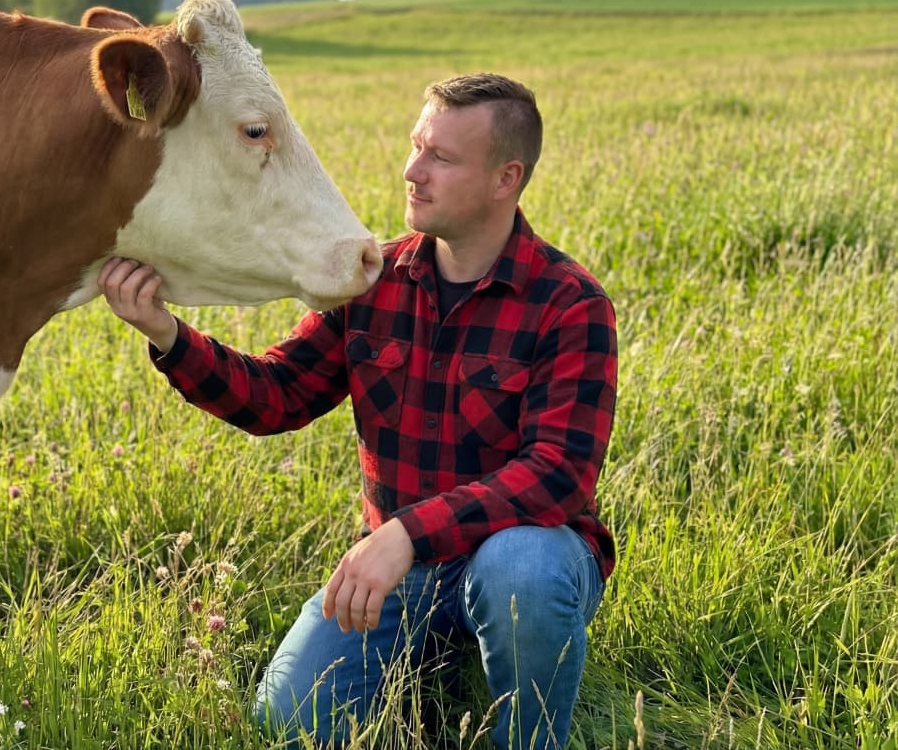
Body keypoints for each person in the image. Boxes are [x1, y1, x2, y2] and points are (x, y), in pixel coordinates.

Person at [100, 73, 617, 749]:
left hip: (510, 558)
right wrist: (168, 337)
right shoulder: (374, 282)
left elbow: (558, 475)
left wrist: (403, 534)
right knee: (289, 720)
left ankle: (527, 734)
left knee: (523, 569)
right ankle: (441, 656)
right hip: (402, 577)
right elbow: (277, 395)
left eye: (442, 158)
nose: (413, 171)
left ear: (504, 179)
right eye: (416, 146)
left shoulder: (569, 304)